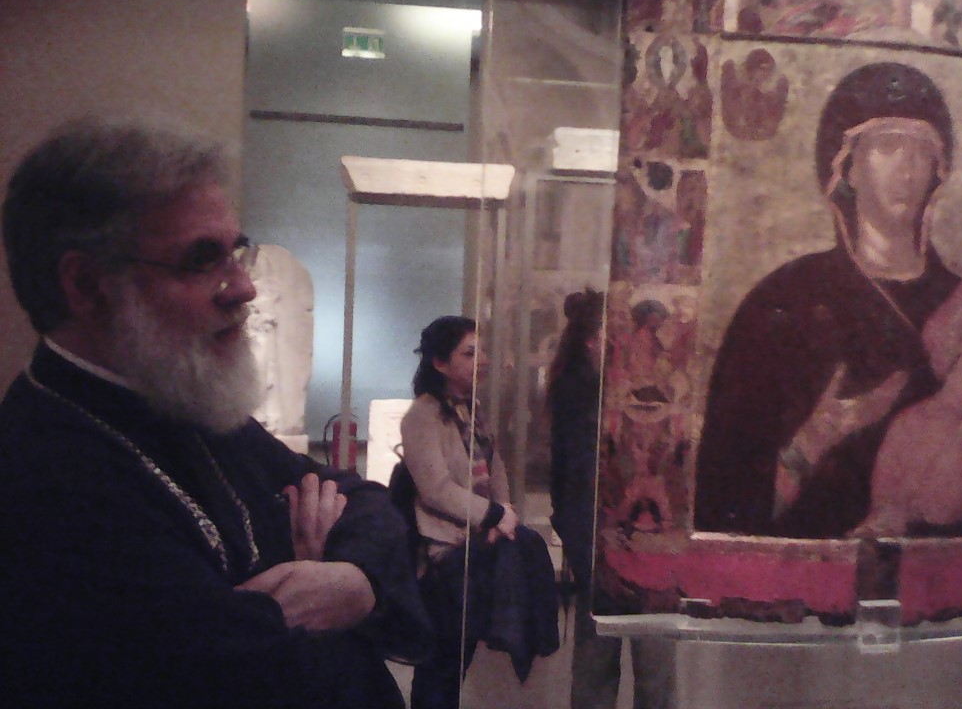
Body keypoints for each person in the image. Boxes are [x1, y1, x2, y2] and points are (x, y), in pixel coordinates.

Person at [0, 117, 431, 708]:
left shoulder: (181, 397)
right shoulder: (42, 477)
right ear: (88, 286)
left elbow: (367, 503)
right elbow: (238, 678)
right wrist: (320, 607)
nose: (244, 287)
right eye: (203, 260)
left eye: (236, 251)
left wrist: (353, 579)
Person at [695, 62, 962, 538]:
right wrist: (814, 439)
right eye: (887, 146)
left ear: (937, 171)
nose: (906, 167)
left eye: (922, 150)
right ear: (847, 167)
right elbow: (725, 503)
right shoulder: (781, 304)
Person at [400, 315, 558, 709]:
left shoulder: (472, 408)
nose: (483, 360)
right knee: (441, 664)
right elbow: (435, 489)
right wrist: (492, 514)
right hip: (443, 551)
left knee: (459, 659)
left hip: (476, 545)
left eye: (481, 351)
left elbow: (493, 464)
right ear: (440, 362)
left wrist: (504, 513)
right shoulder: (421, 415)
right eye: (470, 353)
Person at [856, 185, 962, 536]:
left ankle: (917, 517)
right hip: (955, 397)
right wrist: (951, 336)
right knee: (908, 426)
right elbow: (938, 341)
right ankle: (888, 512)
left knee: (954, 448)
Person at [548, 289, 676, 709]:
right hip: (604, 541)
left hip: (640, 541)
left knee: (645, 665)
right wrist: (586, 544)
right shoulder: (581, 397)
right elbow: (570, 480)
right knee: (604, 664)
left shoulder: (627, 390)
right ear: (595, 340)